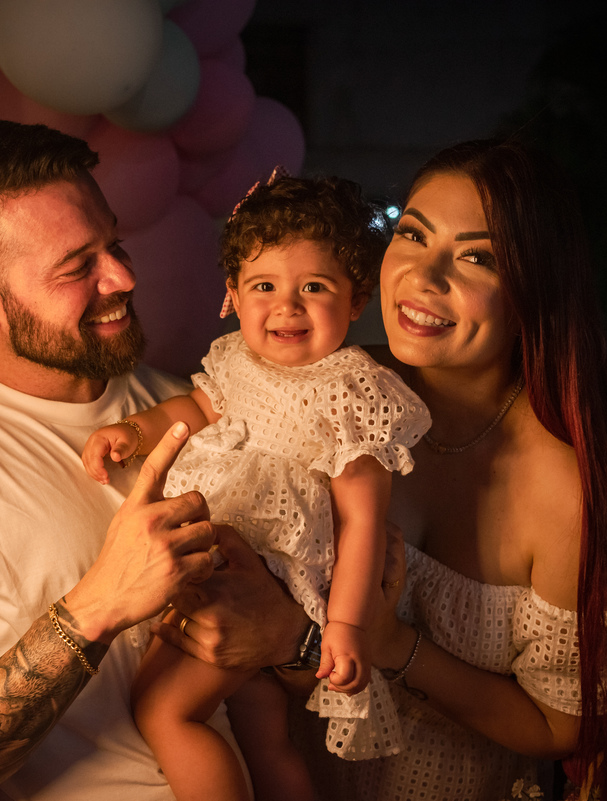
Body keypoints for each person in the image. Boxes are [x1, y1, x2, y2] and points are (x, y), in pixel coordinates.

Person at [0, 119, 313, 801]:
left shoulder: (199, 405)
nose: (123, 276)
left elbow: (321, 671)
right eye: (76, 267)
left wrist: (290, 638)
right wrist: (98, 606)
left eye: (113, 245)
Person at [266, 140, 607, 801]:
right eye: (412, 234)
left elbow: (559, 726)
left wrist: (394, 644)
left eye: (477, 257)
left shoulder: (564, 493)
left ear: (535, 291)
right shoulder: (330, 390)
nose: (423, 275)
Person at [82, 172, 431, 801]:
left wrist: (346, 626)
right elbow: (195, 408)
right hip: (233, 563)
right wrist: (134, 430)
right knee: (264, 736)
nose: (287, 306)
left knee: (164, 711)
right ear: (234, 296)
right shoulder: (235, 361)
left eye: (314, 287)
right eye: (264, 286)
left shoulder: (351, 391)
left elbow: (362, 521)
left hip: (266, 575)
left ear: (356, 300)